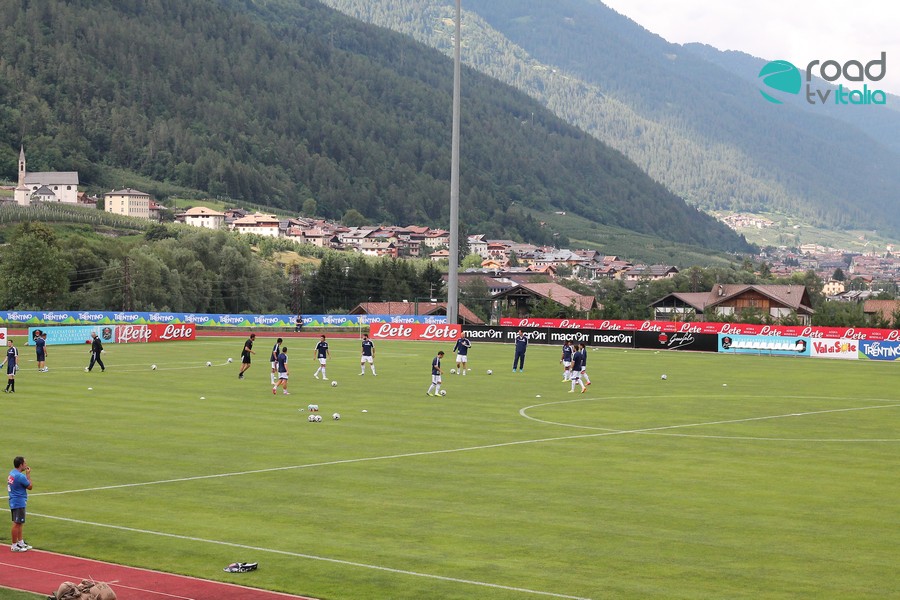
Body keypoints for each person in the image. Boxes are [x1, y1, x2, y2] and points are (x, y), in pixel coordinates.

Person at [8, 456, 33, 552]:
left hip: (14, 500)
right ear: (21, 465)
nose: (26, 465)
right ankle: (14, 545)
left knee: (19, 522)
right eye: (25, 463)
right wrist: (28, 475)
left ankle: (20, 542)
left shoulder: (12, 473)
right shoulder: (20, 476)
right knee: (16, 523)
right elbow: (30, 486)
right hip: (19, 501)